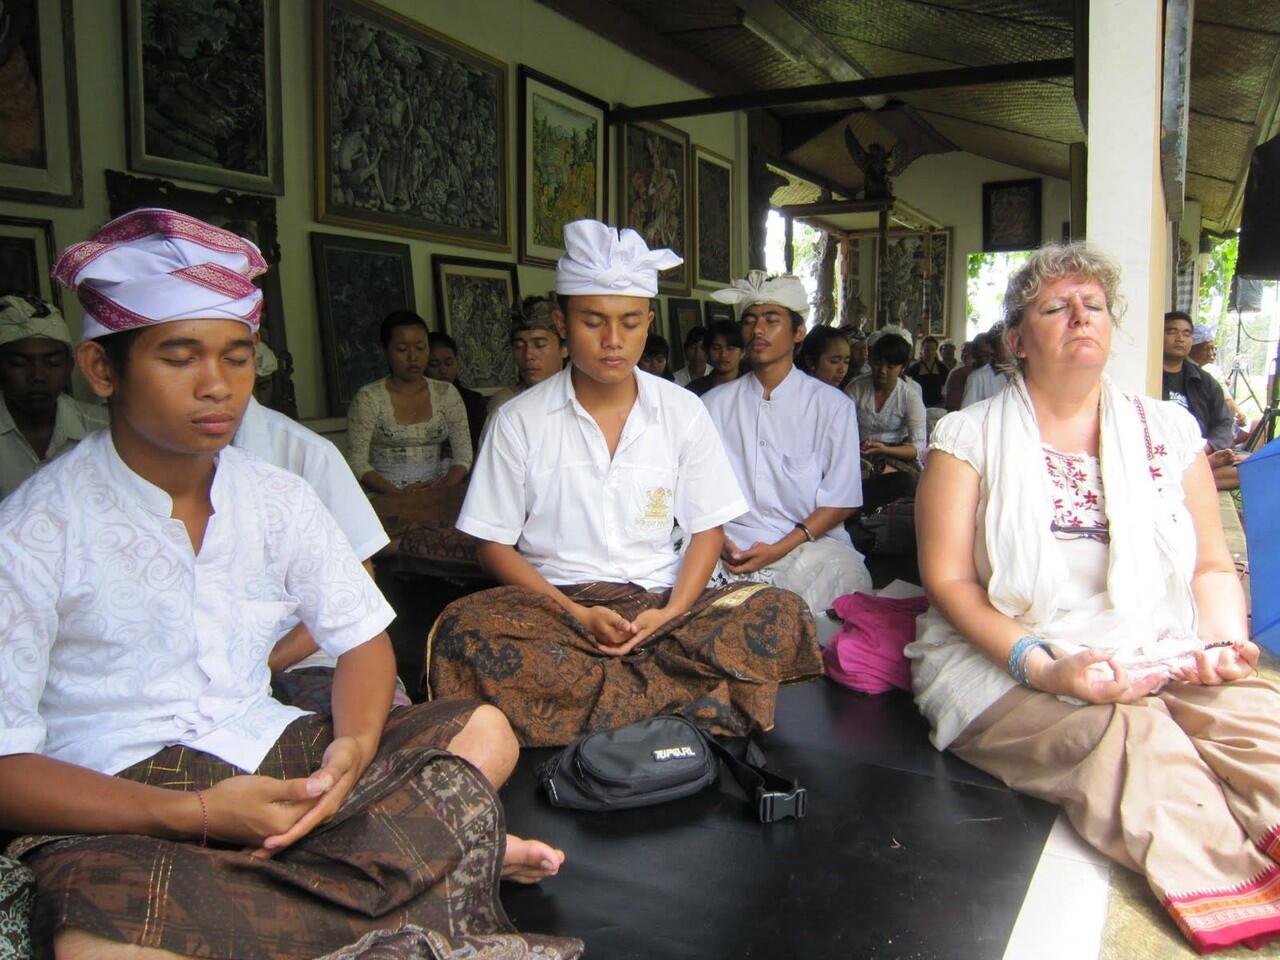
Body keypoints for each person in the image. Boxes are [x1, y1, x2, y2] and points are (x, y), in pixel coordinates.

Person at [0, 209, 572, 960]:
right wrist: (197, 813)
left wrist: (351, 755)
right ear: (103, 369)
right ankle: (409, 867)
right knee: (96, 945)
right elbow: (8, 768)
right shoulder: (33, 530)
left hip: (271, 754)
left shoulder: (275, 495)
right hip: (120, 799)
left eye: (237, 358)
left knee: (484, 730)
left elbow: (364, 642)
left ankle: (320, 875)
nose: (218, 386)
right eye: (181, 358)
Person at [905, 243, 1277, 954]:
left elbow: (1206, 562)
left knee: (1258, 723)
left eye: (1095, 305)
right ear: (1017, 340)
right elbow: (949, 582)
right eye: (1056, 306)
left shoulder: (1170, 432)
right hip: (1009, 650)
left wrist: (1223, 644)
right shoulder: (968, 437)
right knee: (1131, 740)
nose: (1081, 315)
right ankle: (1232, 891)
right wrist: (1043, 666)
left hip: (1157, 638)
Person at [427, 220, 818, 747]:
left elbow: (707, 529)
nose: (614, 341)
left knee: (778, 611)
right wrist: (577, 614)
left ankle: (594, 708)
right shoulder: (519, 420)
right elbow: (492, 545)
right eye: (594, 322)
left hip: (664, 601)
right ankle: (678, 706)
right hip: (558, 610)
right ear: (563, 324)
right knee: (464, 630)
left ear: (647, 321)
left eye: (630, 323)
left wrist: (671, 613)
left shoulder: (683, 412)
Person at [703, 271, 871, 639]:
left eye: (771, 319)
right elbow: (697, 489)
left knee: (836, 593)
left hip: (807, 545)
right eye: (750, 320)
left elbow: (841, 500)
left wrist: (778, 549)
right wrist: (718, 539)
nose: (757, 329)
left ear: (798, 332)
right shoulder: (712, 405)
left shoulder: (831, 406)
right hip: (727, 543)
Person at [347, 310, 473, 494]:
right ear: (385, 351)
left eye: (421, 348)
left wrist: (441, 488)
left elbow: (463, 456)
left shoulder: (446, 393)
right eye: (402, 350)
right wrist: (399, 494)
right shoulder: (368, 398)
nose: (413, 357)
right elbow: (357, 462)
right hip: (385, 498)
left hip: (437, 496)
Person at [0, 294, 108, 500]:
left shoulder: (103, 431)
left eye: (53, 362)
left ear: (70, 366)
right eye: (18, 363)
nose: (37, 376)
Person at [846, 329, 928, 510]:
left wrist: (884, 449)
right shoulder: (856, 388)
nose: (882, 371)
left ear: (902, 368)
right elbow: (840, 429)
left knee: (905, 482)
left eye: (890, 367)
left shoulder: (909, 397)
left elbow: (917, 448)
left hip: (895, 454)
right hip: (857, 450)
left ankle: (858, 508)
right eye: (877, 364)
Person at [1163, 310, 1235, 451]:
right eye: (1172, 332)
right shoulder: (1147, 375)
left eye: (1187, 334)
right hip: (1160, 454)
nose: (1180, 338)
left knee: (1243, 469)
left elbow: (1224, 423)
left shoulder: (1205, 381)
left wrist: (1208, 448)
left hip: (1200, 453)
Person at [486, 295, 566, 418]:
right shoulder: (505, 403)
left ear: (565, 348)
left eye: (539, 345)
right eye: (519, 346)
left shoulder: (587, 398)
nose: (528, 355)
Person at [426, 330, 487, 454]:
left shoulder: (473, 401)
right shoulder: (415, 400)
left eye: (449, 363)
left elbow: (480, 446)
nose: (443, 370)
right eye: (434, 364)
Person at [688, 318, 745, 396]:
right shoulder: (693, 391)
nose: (723, 354)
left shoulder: (752, 387)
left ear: (742, 352)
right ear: (707, 351)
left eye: (730, 349)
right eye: (716, 348)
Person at [960, 324, 1012, 407]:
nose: (1014, 346)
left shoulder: (1025, 374)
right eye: (1006, 343)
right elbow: (967, 413)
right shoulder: (978, 377)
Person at [908, 335, 948, 409]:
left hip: (938, 405)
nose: (929, 352)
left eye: (932, 349)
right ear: (921, 350)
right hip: (919, 405)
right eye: (927, 350)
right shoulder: (914, 368)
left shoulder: (942, 368)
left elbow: (946, 389)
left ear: (936, 350)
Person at [943, 338, 979, 411]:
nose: (965, 355)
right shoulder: (955, 371)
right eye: (963, 352)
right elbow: (945, 394)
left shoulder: (981, 371)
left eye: (968, 352)